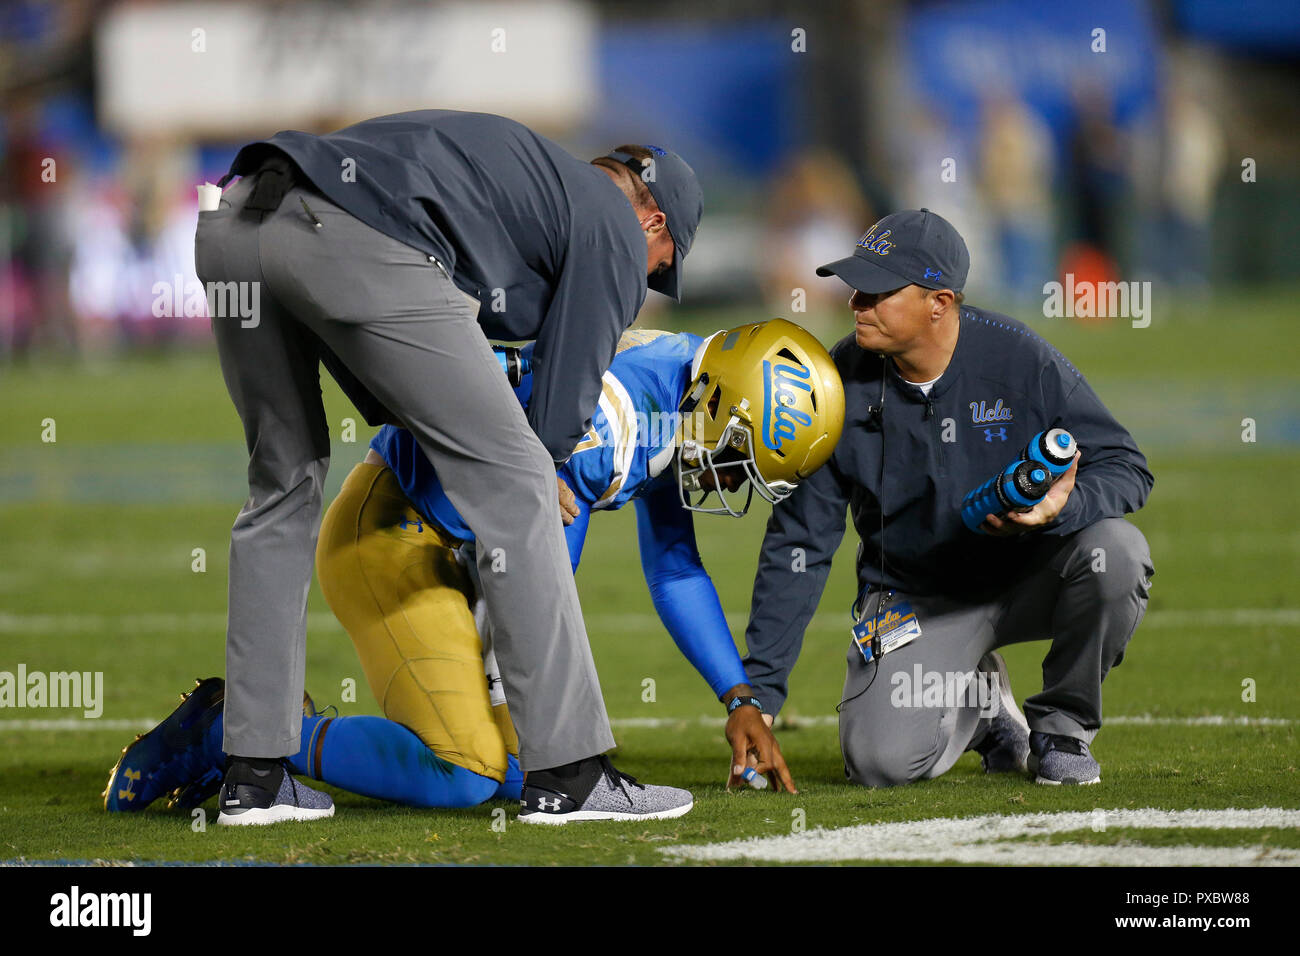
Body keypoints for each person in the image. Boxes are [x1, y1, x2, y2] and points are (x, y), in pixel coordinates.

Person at [105, 321, 845, 820]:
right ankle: (244, 728)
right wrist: (510, 686)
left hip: (462, 552)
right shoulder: (617, 418)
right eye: (732, 455)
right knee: (469, 773)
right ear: (716, 398)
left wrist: (739, 697)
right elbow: (536, 578)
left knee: (526, 772)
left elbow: (674, 565)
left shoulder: (680, 387)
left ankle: (268, 726)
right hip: (400, 539)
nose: (724, 475)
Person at [194, 109, 702, 824]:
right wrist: (543, 462)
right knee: (522, 485)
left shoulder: (522, 180)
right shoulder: (612, 225)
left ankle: (254, 775)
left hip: (235, 222)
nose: (648, 281)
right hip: (340, 237)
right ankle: (571, 774)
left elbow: (394, 378)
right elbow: (560, 410)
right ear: (653, 226)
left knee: (280, 488)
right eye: (661, 268)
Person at [742, 209, 1154, 788]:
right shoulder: (833, 383)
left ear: (940, 302)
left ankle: (1061, 729)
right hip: (914, 599)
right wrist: (758, 695)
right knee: (880, 764)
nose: (856, 301)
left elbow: (1125, 464)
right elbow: (800, 544)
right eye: (856, 287)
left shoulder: (1019, 359)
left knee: (1118, 551)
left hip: (1026, 576)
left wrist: (1066, 506)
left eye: (877, 290)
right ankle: (985, 709)